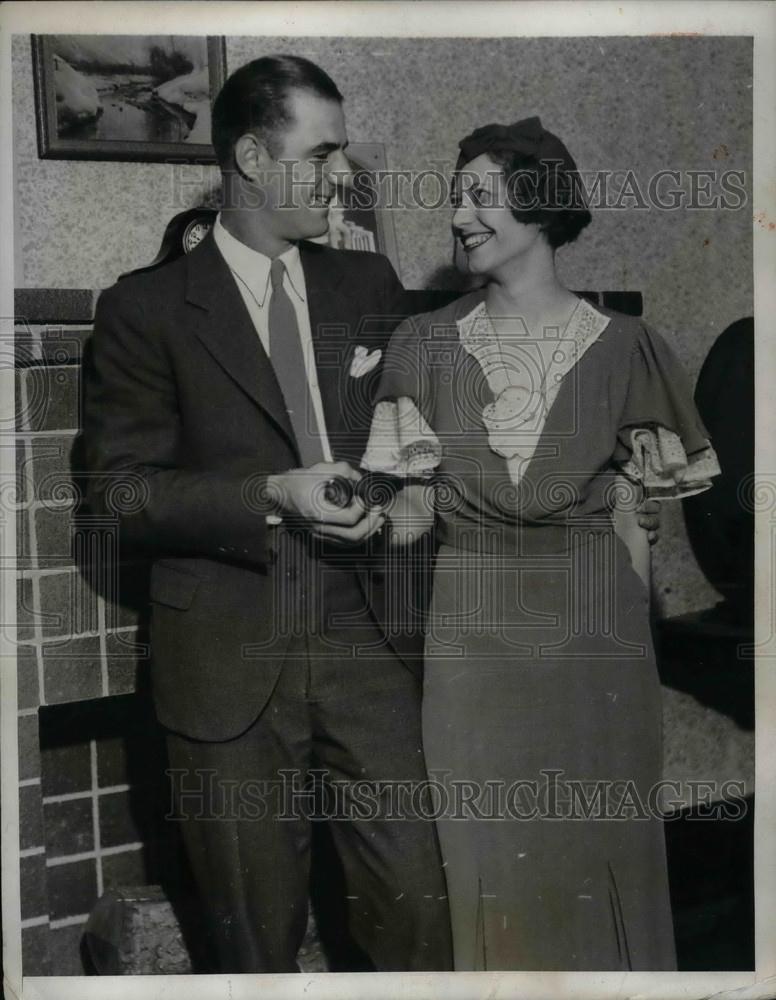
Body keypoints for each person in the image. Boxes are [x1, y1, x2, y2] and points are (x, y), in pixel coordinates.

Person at [82, 55, 452, 973]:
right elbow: (115, 492)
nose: (343, 174)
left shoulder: (368, 285)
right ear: (251, 157)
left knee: (419, 912)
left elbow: (405, 440)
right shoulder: (145, 308)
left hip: (368, 638)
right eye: (321, 153)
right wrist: (269, 496)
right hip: (227, 658)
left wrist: (409, 495)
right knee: (256, 942)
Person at [362, 116, 720, 970]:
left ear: (540, 204)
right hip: (473, 650)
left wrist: (633, 660)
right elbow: (410, 514)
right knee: (490, 871)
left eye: (479, 196)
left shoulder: (630, 349)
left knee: (608, 860)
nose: (458, 216)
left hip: (597, 647)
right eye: (455, 197)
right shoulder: (422, 346)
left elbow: (634, 523)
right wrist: (342, 510)